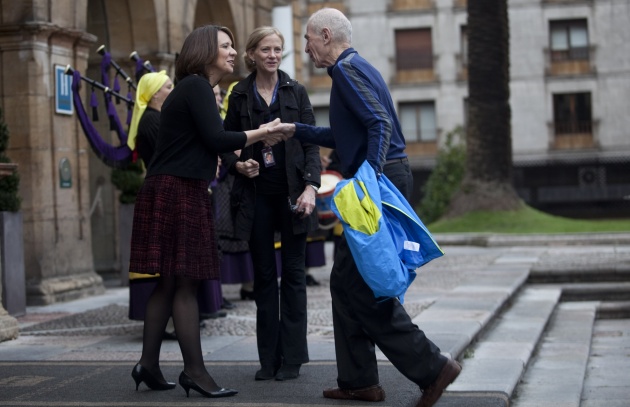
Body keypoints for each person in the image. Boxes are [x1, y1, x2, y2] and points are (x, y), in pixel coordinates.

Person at [269, 8, 461, 407]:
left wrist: (369, 179)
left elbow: (378, 123)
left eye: (307, 39)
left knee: (362, 285)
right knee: (346, 281)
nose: (304, 48)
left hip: (378, 180)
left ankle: (432, 366)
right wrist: (294, 130)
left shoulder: (345, 70)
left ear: (325, 35)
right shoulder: (358, 68)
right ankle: (359, 381)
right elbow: (344, 133)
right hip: (385, 176)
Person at [128, 24, 284, 398]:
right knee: (185, 283)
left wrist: (236, 163)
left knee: (169, 282)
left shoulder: (194, 89)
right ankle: (195, 372)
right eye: (226, 46)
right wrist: (265, 132)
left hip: (172, 187)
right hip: (177, 191)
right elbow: (216, 139)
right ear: (204, 51)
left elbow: (207, 143)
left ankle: (148, 364)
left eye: (232, 46)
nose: (233, 52)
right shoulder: (196, 86)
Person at [221, 26, 321, 382]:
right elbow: (225, 141)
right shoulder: (239, 94)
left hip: (292, 196)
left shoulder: (296, 91)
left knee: (293, 276)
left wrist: (311, 186)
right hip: (255, 198)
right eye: (266, 49)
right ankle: (268, 359)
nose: (273, 55)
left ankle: (292, 357)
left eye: (278, 49)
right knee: (264, 279)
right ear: (252, 54)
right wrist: (238, 164)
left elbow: (311, 143)